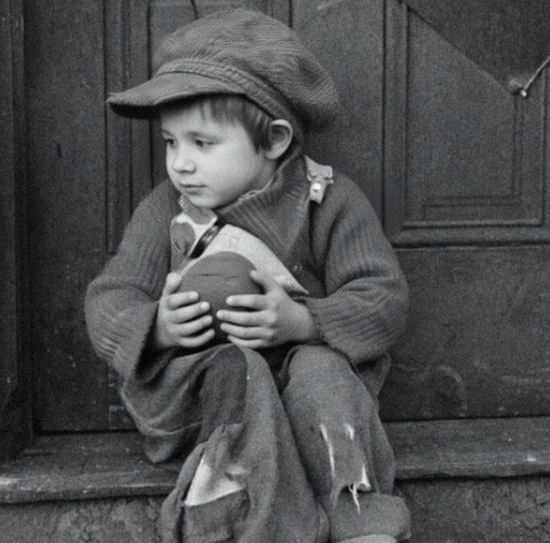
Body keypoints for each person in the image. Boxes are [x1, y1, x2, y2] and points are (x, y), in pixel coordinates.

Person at [85, 8, 411, 543]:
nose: (180, 163)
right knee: (239, 372)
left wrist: (303, 322)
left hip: (309, 403)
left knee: (323, 372)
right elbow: (109, 298)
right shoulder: (166, 209)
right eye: (171, 142)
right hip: (206, 395)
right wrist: (158, 327)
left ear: (275, 140)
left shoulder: (328, 201)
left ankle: (361, 521)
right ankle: (239, 526)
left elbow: (384, 298)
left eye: (202, 143)